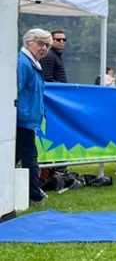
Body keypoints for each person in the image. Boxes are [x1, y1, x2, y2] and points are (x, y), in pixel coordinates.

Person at [17, 28, 52, 206]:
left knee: (14, 157)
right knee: (30, 157)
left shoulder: (32, 64)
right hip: (21, 120)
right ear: (28, 42)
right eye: (41, 43)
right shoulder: (23, 63)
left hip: (27, 119)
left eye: (47, 45)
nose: (44, 48)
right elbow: (15, 91)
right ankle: (34, 195)